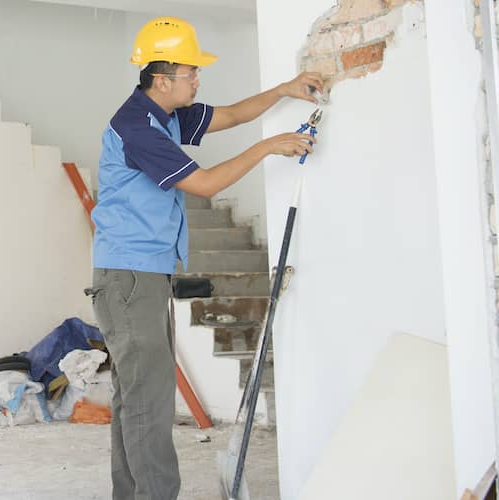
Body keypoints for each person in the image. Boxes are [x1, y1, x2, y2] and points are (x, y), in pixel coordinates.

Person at [88, 16, 323, 500]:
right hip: (129, 278)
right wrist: (269, 147)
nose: (198, 79)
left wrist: (285, 88)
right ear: (161, 78)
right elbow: (206, 184)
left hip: (142, 276)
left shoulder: (164, 114)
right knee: (148, 402)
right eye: (190, 72)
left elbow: (233, 114)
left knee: (136, 398)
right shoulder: (137, 128)